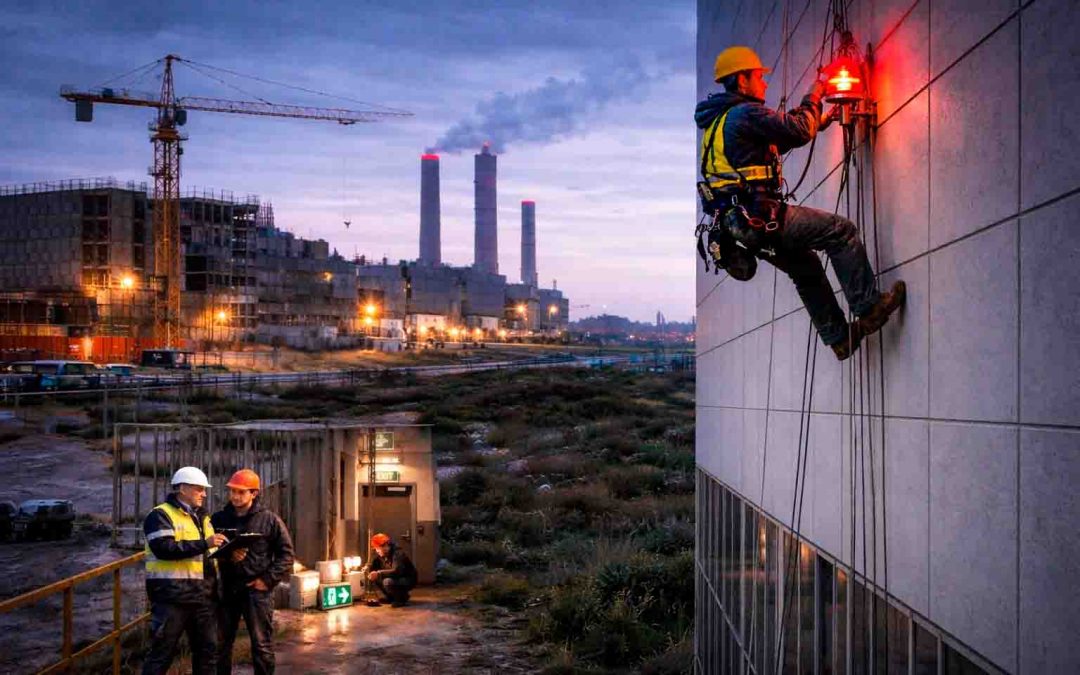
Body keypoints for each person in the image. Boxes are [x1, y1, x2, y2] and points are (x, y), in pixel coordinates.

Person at [695, 45, 905, 360]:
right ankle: (870, 308)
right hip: (760, 215)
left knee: (805, 267)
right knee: (840, 232)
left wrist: (814, 123)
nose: (764, 84)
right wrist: (816, 91)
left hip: (739, 226)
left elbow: (764, 150)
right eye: (758, 77)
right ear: (742, 80)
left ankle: (839, 338)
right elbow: (798, 130)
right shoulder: (744, 113)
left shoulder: (718, 125)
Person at [142, 466, 225, 675]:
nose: (204, 494)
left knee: (207, 653)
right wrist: (204, 543)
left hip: (202, 598)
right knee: (161, 655)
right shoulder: (160, 515)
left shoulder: (203, 518)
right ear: (183, 488)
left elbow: (205, 558)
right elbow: (164, 548)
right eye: (199, 489)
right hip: (172, 599)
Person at [211, 469, 295, 675]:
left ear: (254, 493)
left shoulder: (269, 520)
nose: (235, 496)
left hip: (257, 592)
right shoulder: (219, 519)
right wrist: (225, 556)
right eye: (232, 491)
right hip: (228, 589)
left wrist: (267, 580)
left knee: (261, 644)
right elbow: (208, 551)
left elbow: (286, 555)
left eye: (241, 492)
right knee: (221, 644)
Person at [366, 533, 417, 607]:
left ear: (386, 546)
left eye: (378, 548)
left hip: (408, 579)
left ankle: (401, 598)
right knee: (377, 578)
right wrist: (371, 572)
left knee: (387, 582)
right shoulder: (381, 555)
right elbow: (374, 568)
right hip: (396, 578)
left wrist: (379, 573)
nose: (377, 551)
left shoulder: (398, 553)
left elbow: (397, 571)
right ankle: (391, 597)